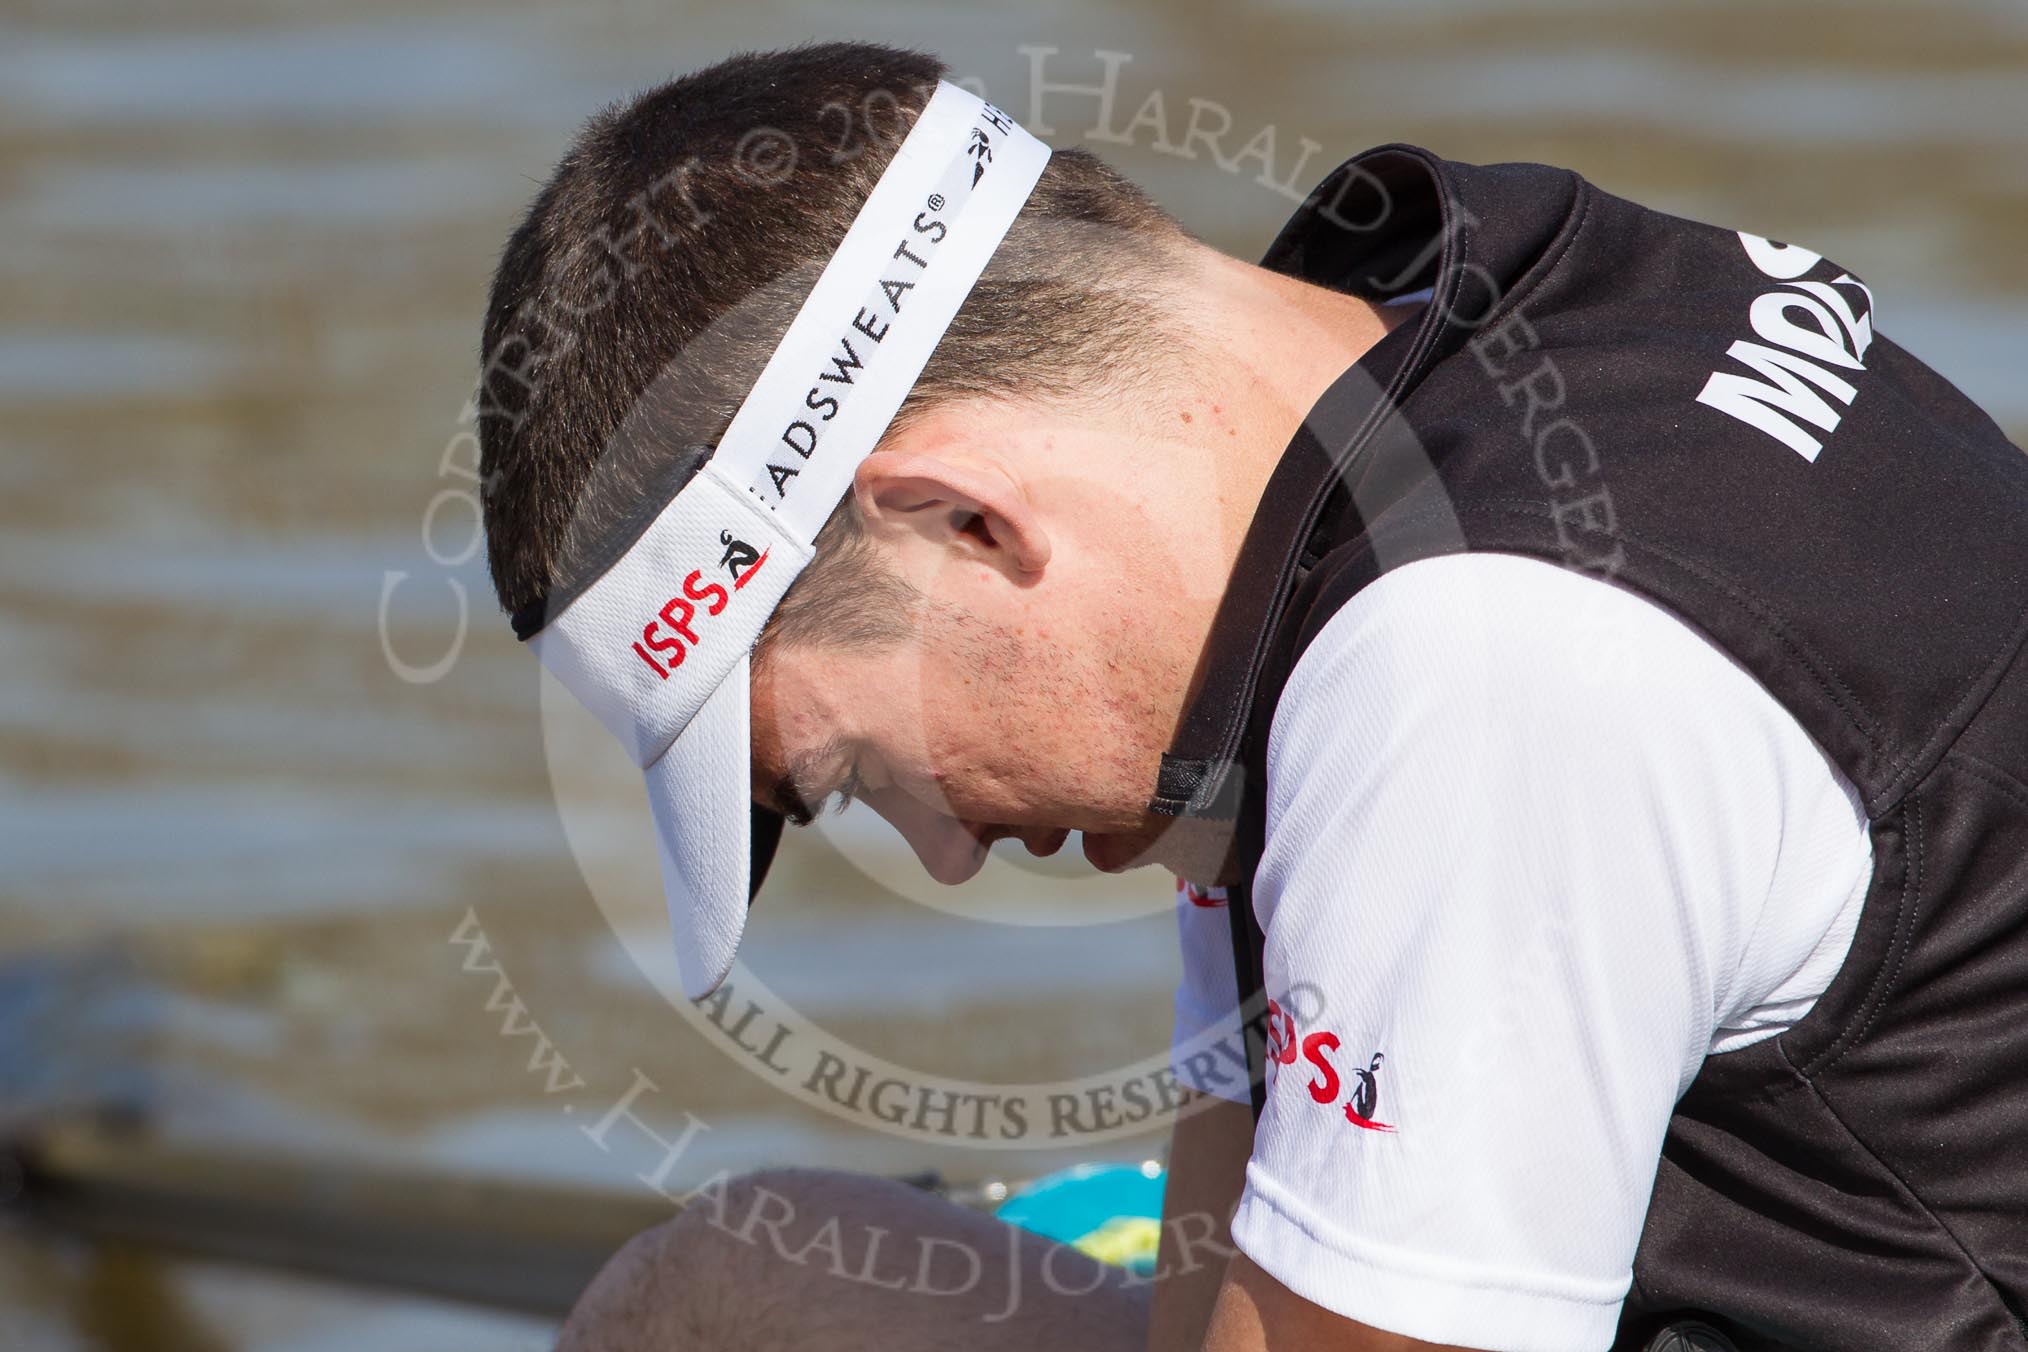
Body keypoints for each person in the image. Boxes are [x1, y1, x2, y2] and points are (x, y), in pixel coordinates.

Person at [475, 41, 2028, 1352]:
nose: (942, 858)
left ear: (966, 523)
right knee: (733, 1293)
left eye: (865, 773)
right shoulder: (1408, 361)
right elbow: (1217, 1290)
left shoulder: (1475, 667)